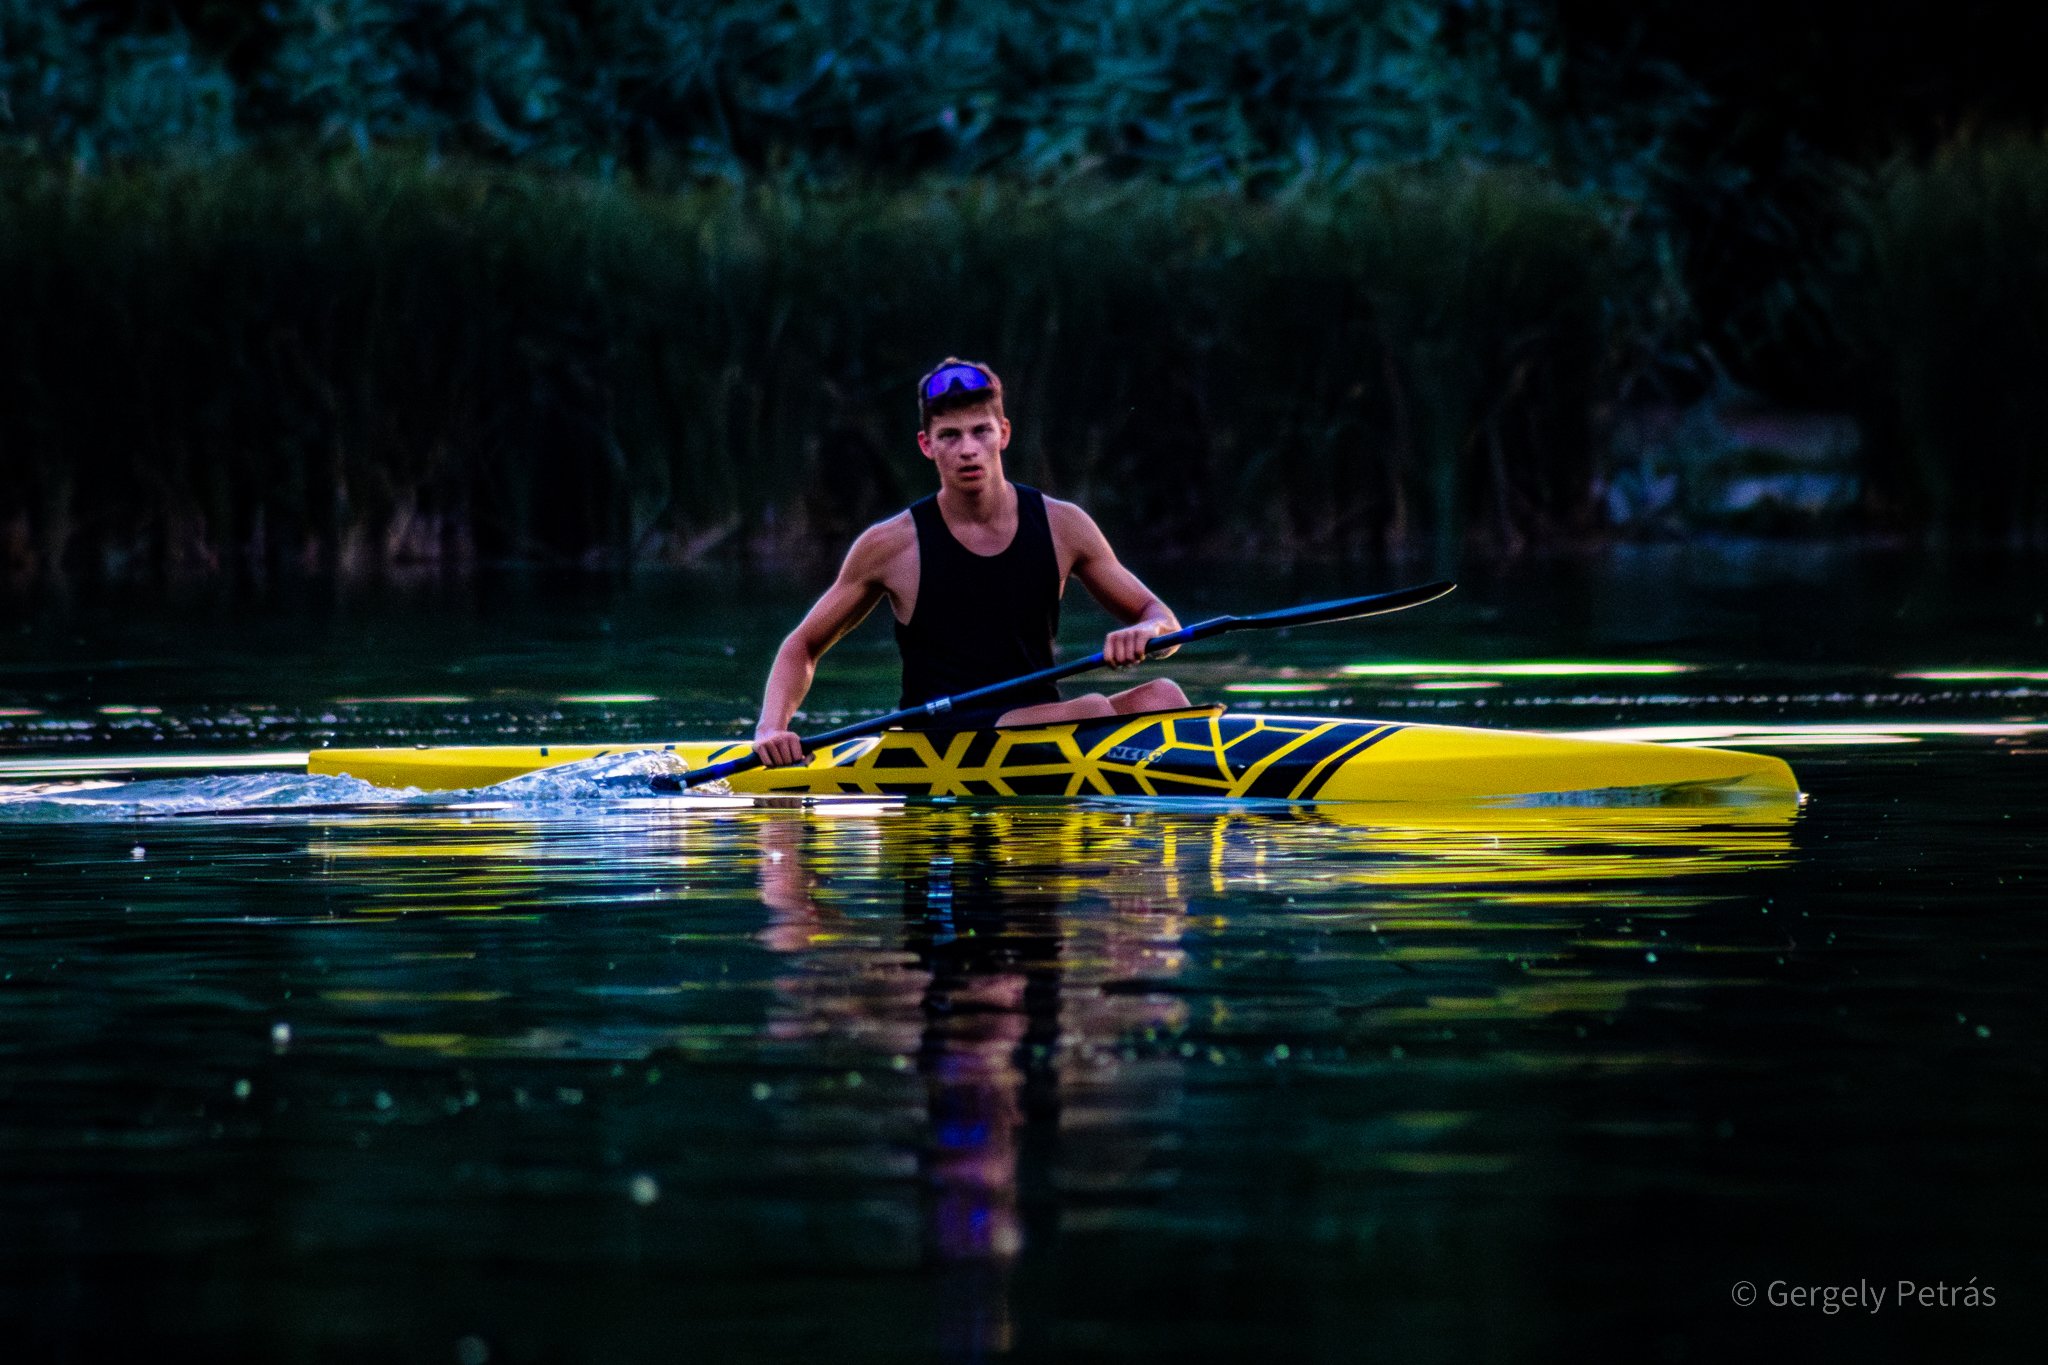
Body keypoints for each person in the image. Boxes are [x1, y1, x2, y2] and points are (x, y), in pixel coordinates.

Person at [753, 357, 1190, 768]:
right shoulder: (890, 544)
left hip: (1045, 723)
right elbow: (802, 646)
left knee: (1163, 697)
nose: (968, 449)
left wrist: (1146, 631)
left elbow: (1163, 621)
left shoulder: (1064, 525)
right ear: (927, 445)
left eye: (980, 431)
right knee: (1092, 708)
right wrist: (772, 728)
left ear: (1003, 433)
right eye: (950, 436)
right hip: (940, 741)